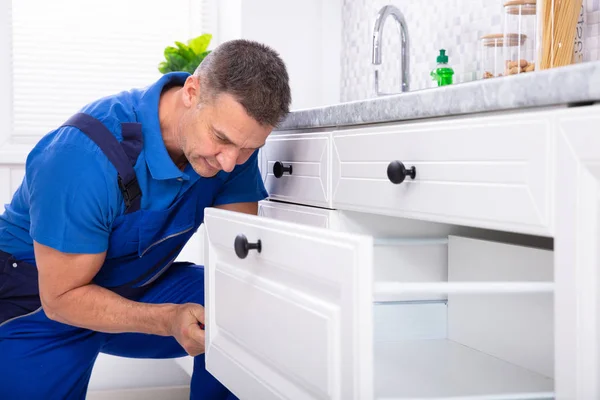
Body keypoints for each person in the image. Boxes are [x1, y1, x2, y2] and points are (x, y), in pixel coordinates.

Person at [0, 39, 291, 399]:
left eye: (248, 149)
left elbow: (239, 262)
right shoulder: (81, 157)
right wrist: (167, 318)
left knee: (239, 301)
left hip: (135, 284)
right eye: (221, 139)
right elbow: (61, 299)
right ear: (191, 91)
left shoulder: (228, 153)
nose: (230, 163)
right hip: (40, 302)